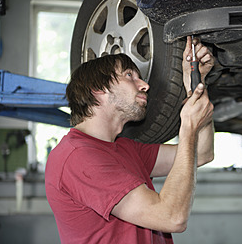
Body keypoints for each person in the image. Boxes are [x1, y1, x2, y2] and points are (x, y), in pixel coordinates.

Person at [45, 36, 215, 244]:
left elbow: (203, 153)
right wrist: (187, 126)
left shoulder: (125, 148)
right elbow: (172, 217)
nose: (144, 85)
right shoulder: (78, 157)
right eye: (129, 75)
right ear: (98, 89)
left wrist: (196, 86)